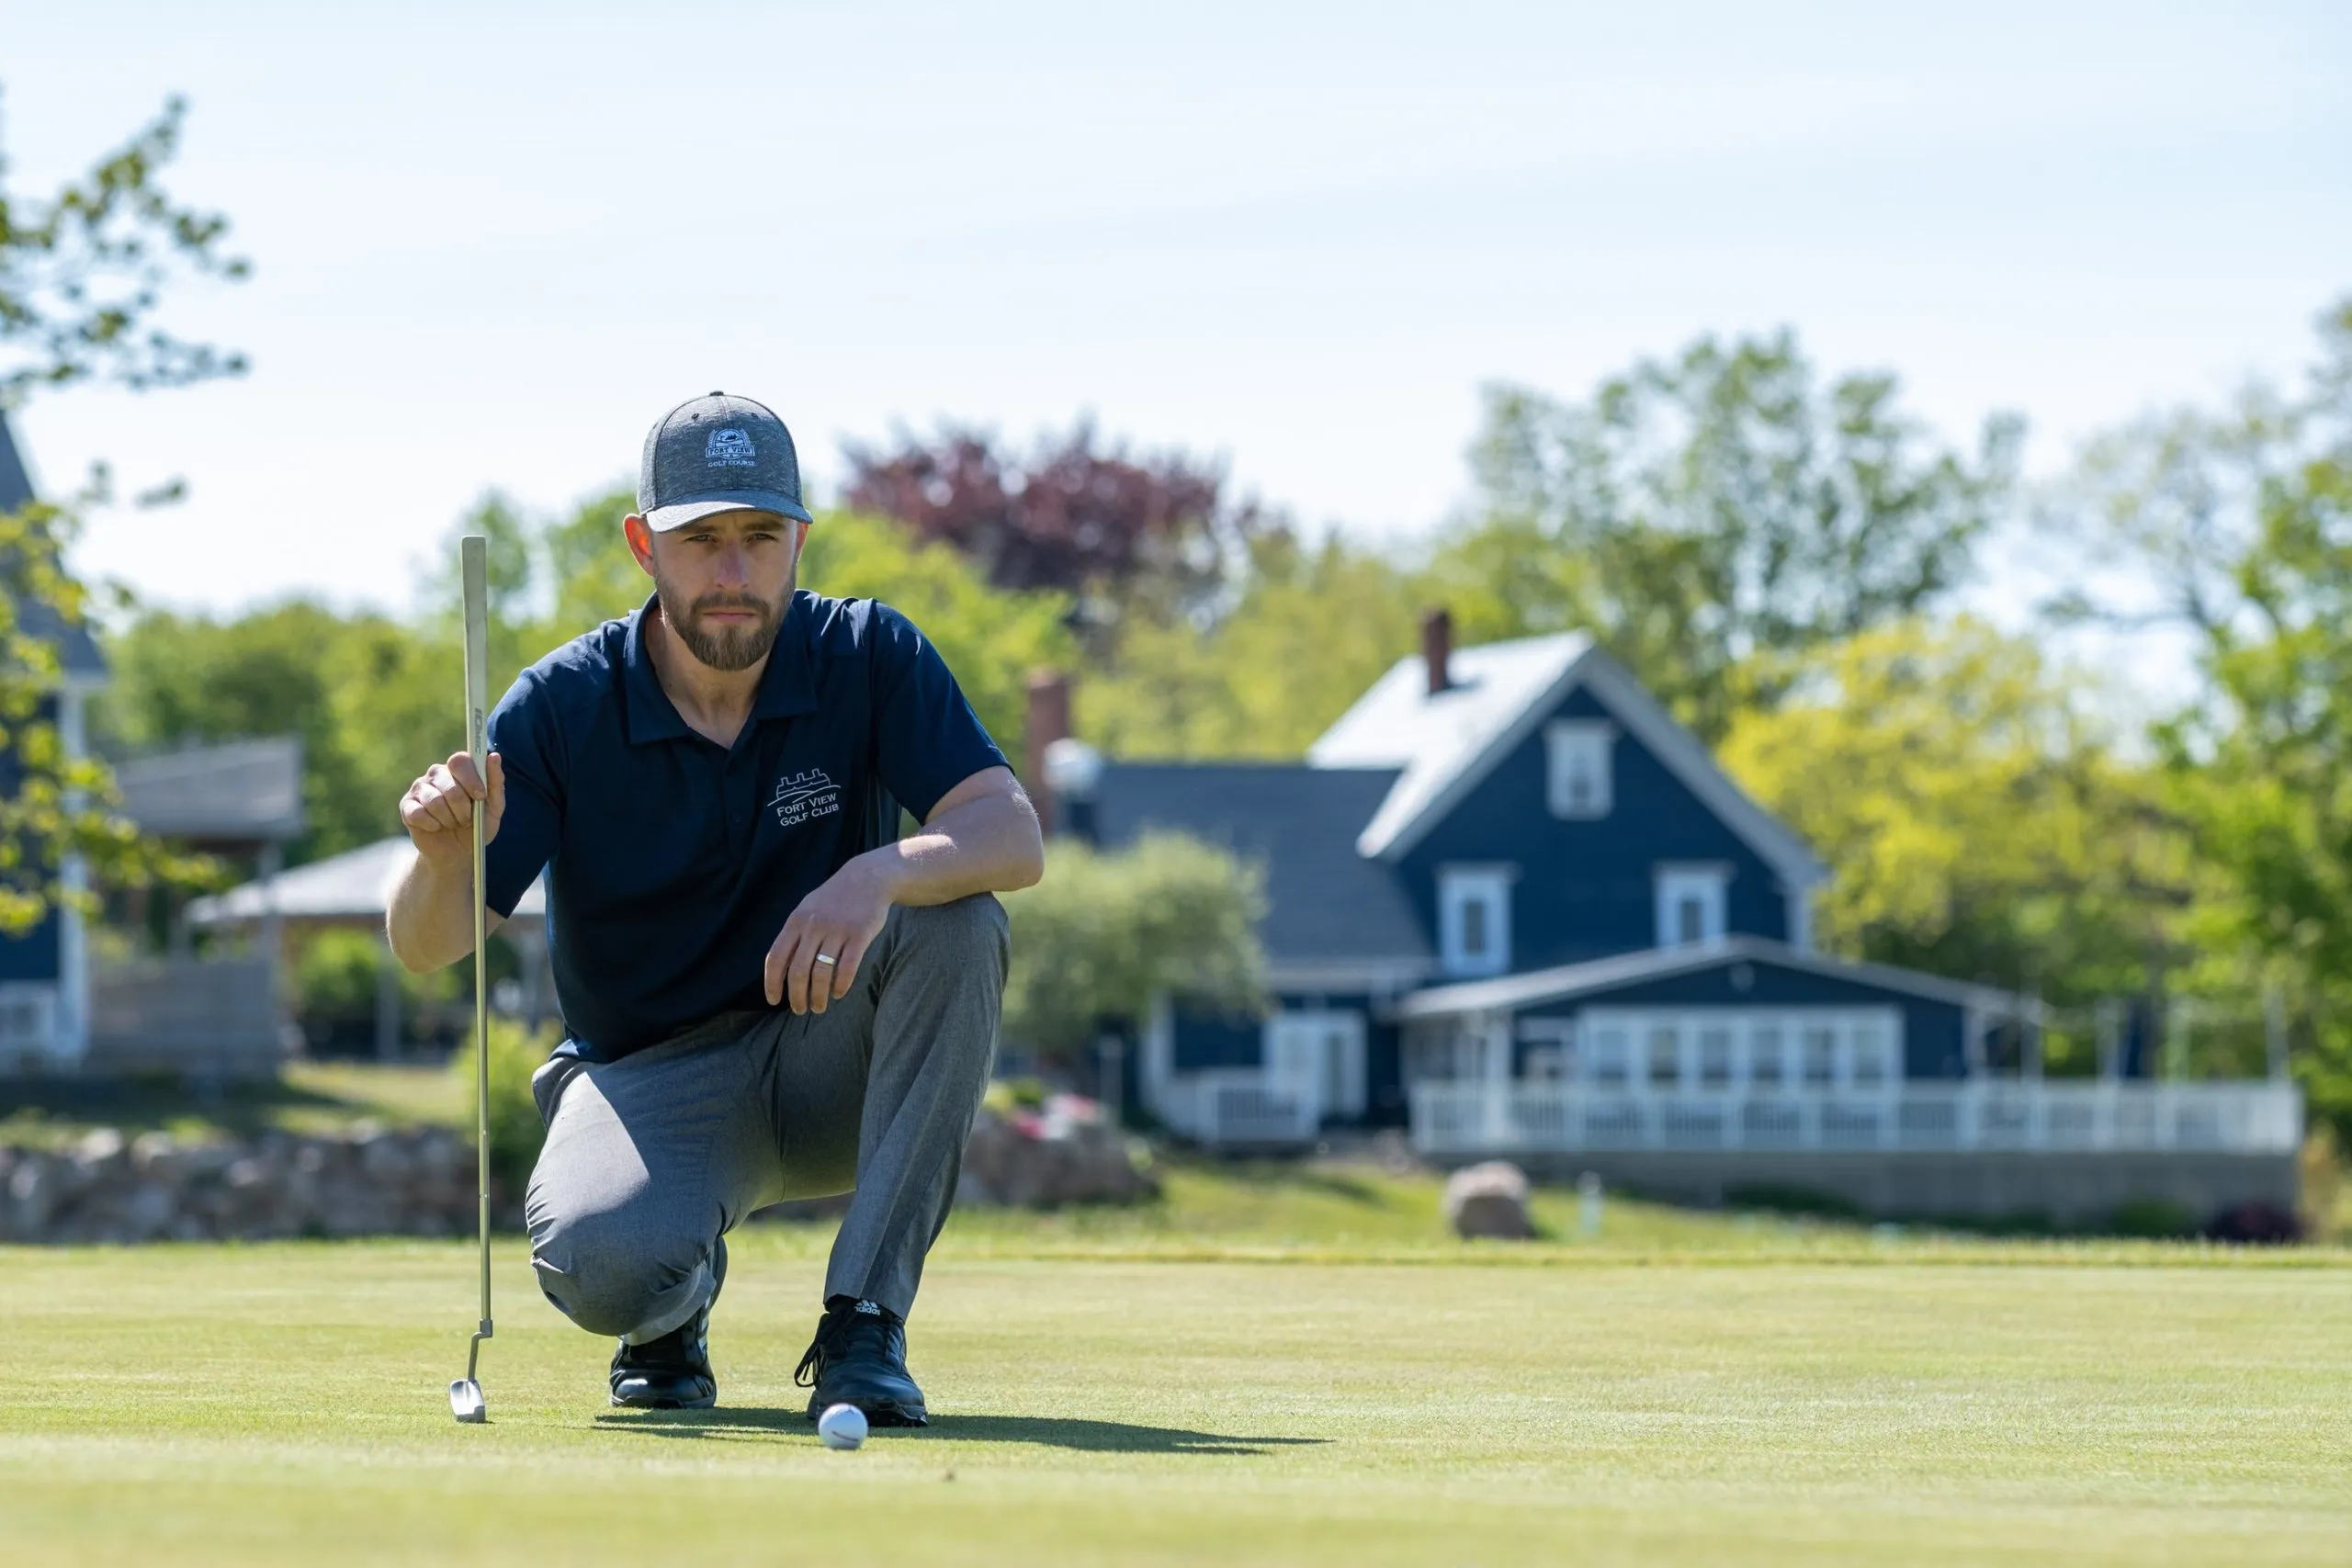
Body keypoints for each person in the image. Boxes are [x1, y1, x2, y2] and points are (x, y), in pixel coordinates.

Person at [387, 390, 1044, 1427]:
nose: (732, 572)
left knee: (960, 915)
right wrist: (437, 861)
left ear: (798, 542)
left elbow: (1013, 835)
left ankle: (865, 1320)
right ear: (645, 546)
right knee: (600, 1269)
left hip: (838, 1065)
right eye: (701, 541)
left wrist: (875, 874)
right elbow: (426, 948)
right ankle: (670, 1310)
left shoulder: (868, 654)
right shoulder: (561, 706)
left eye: (758, 536)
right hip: (652, 1085)